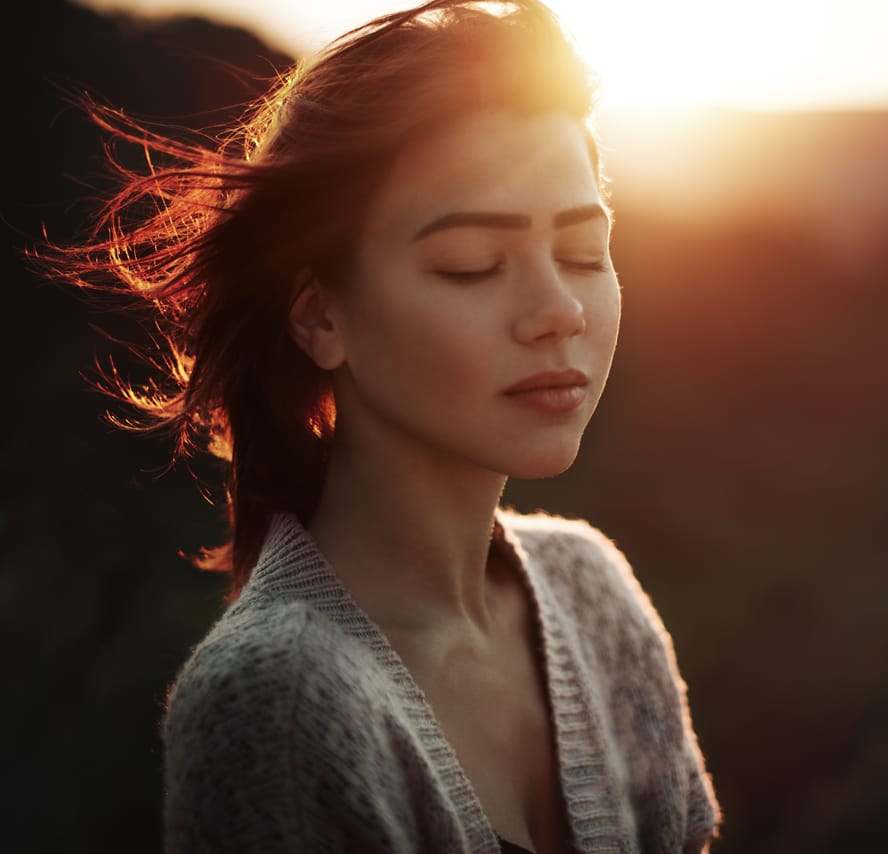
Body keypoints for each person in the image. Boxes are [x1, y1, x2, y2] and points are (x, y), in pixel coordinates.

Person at [39, 1, 721, 851]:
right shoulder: (278, 703)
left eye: (585, 254)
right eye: (472, 265)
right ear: (320, 316)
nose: (558, 311)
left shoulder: (593, 590)